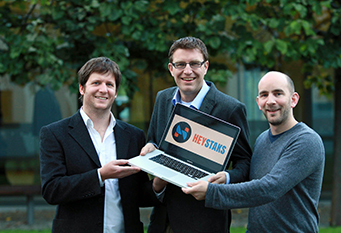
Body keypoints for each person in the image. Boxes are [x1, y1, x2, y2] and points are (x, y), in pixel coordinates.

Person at [183, 71, 325, 232]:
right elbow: (252, 183)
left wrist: (212, 192)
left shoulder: (306, 141)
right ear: (258, 102)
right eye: (264, 95)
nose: (270, 101)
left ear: (293, 99)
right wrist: (226, 177)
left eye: (278, 93)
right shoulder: (262, 139)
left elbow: (270, 188)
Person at [140, 37, 252, 233]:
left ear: (206, 66)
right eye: (181, 64)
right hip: (163, 219)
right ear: (171, 68)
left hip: (205, 220)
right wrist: (151, 146)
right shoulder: (163, 99)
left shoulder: (230, 109)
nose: (188, 71)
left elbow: (245, 162)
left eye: (194, 64)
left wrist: (225, 178)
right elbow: (155, 140)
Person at [40, 57, 160, 233]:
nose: (103, 90)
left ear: (116, 92)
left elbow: (139, 196)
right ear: (82, 88)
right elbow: (52, 190)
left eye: (109, 85)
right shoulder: (55, 133)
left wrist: (160, 182)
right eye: (96, 82)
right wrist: (100, 176)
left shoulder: (133, 136)